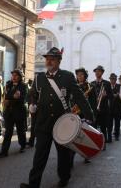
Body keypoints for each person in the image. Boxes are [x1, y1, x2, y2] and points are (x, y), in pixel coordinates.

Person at [20, 47, 93, 188]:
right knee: (39, 156)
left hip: (62, 123)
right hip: (43, 122)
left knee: (64, 155)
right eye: (47, 59)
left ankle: (64, 178)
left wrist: (89, 115)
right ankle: (33, 184)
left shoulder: (67, 76)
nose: (49, 61)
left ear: (59, 61)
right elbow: (32, 94)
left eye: (52, 59)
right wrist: (32, 104)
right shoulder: (39, 78)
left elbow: (79, 97)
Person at [0, 69, 27, 157]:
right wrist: (13, 97)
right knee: (8, 132)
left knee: (20, 130)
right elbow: (7, 96)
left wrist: (10, 100)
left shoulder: (23, 86)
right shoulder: (8, 84)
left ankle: (23, 145)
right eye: (13, 75)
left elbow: (21, 99)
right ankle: (4, 151)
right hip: (9, 112)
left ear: (20, 77)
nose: (13, 77)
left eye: (16, 75)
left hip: (19, 112)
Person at [71, 67, 94, 164]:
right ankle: (70, 158)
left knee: (85, 136)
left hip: (84, 114)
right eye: (78, 75)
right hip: (74, 112)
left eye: (81, 75)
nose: (79, 76)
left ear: (85, 76)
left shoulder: (89, 87)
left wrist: (91, 116)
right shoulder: (73, 85)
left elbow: (93, 102)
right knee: (72, 136)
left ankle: (86, 155)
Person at [90, 65, 112, 147]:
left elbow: (111, 96)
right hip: (94, 109)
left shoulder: (107, 83)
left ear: (102, 72)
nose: (97, 73)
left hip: (103, 109)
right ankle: (95, 144)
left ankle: (103, 144)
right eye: (96, 71)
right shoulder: (91, 84)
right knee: (94, 128)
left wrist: (106, 95)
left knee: (103, 128)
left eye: (99, 71)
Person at [108, 73, 121, 141]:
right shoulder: (108, 86)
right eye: (111, 79)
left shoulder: (119, 86)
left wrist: (118, 95)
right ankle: (109, 136)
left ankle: (117, 135)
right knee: (109, 123)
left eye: (114, 79)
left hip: (117, 108)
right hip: (110, 108)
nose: (112, 80)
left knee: (117, 123)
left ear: (116, 80)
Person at [27, 79, 36, 147]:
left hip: (35, 109)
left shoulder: (32, 89)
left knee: (34, 126)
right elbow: (29, 99)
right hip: (33, 109)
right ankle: (31, 141)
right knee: (33, 126)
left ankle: (32, 141)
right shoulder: (32, 89)